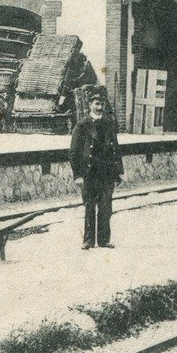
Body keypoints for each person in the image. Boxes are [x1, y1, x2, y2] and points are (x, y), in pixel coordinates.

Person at [70, 92, 124, 249]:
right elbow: (74, 152)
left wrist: (119, 171)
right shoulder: (82, 125)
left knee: (106, 206)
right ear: (90, 105)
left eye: (102, 105)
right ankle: (88, 240)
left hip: (106, 172)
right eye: (96, 104)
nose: (99, 107)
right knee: (89, 206)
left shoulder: (109, 123)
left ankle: (104, 240)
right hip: (89, 172)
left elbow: (116, 148)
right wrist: (78, 175)